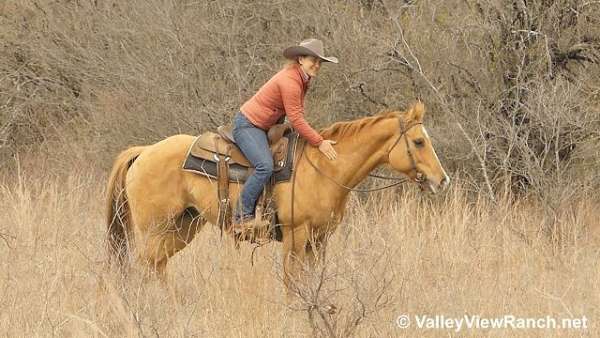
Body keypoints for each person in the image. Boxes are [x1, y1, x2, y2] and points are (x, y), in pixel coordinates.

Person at [232, 38, 339, 233]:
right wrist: (319, 141)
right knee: (264, 166)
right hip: (248, 125)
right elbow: (297, 119)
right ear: (300, 59)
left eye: (319, 62)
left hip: (266, 126)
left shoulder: (302, 78)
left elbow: (296, 116)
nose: (316, 65)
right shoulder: (290, 81)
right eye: (312, 60)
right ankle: (241, 215)